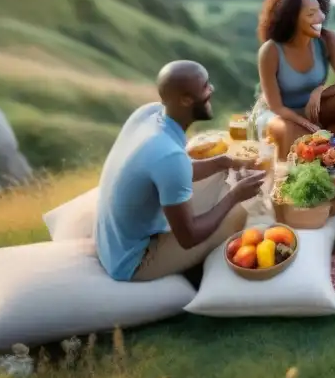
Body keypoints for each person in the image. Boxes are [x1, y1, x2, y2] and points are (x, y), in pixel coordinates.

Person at [95, 60, 266, 282]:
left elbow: (174, 170)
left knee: (223, 176)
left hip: (113, 242)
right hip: (133, 260)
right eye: (205, 86)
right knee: (241, 210)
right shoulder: (169, 155)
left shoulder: (148, 114)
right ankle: (202, 274)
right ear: (185, 100)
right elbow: (189, 237)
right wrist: (235, 197)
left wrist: (224, 162)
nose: (211, 89)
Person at [252, 0, 335, 159]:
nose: (320, 17)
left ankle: (330, 147)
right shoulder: (271, 50)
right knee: (292, 135)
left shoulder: (328, 39)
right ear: (292, 20)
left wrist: (320, 91)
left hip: (311, 110)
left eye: (320, 10)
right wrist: (303, 122)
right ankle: (291, 171)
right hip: (280, 114)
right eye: (311, 14)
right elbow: (276, 106)